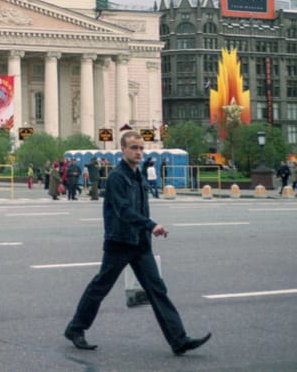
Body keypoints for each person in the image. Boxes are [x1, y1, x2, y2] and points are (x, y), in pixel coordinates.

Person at [64, 130, 211, 355]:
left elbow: (140, 207)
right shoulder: (117, 176)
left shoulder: (138, 175)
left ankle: (178, 340)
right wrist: (151, 225)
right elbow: (124, 210)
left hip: (140, 244)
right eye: (134, 148)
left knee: (157, 289)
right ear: (122, 149)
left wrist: (147, 232)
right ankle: (76, 328)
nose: (139, 152)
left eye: (141, 148)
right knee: (100, 286)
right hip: (120, 242)